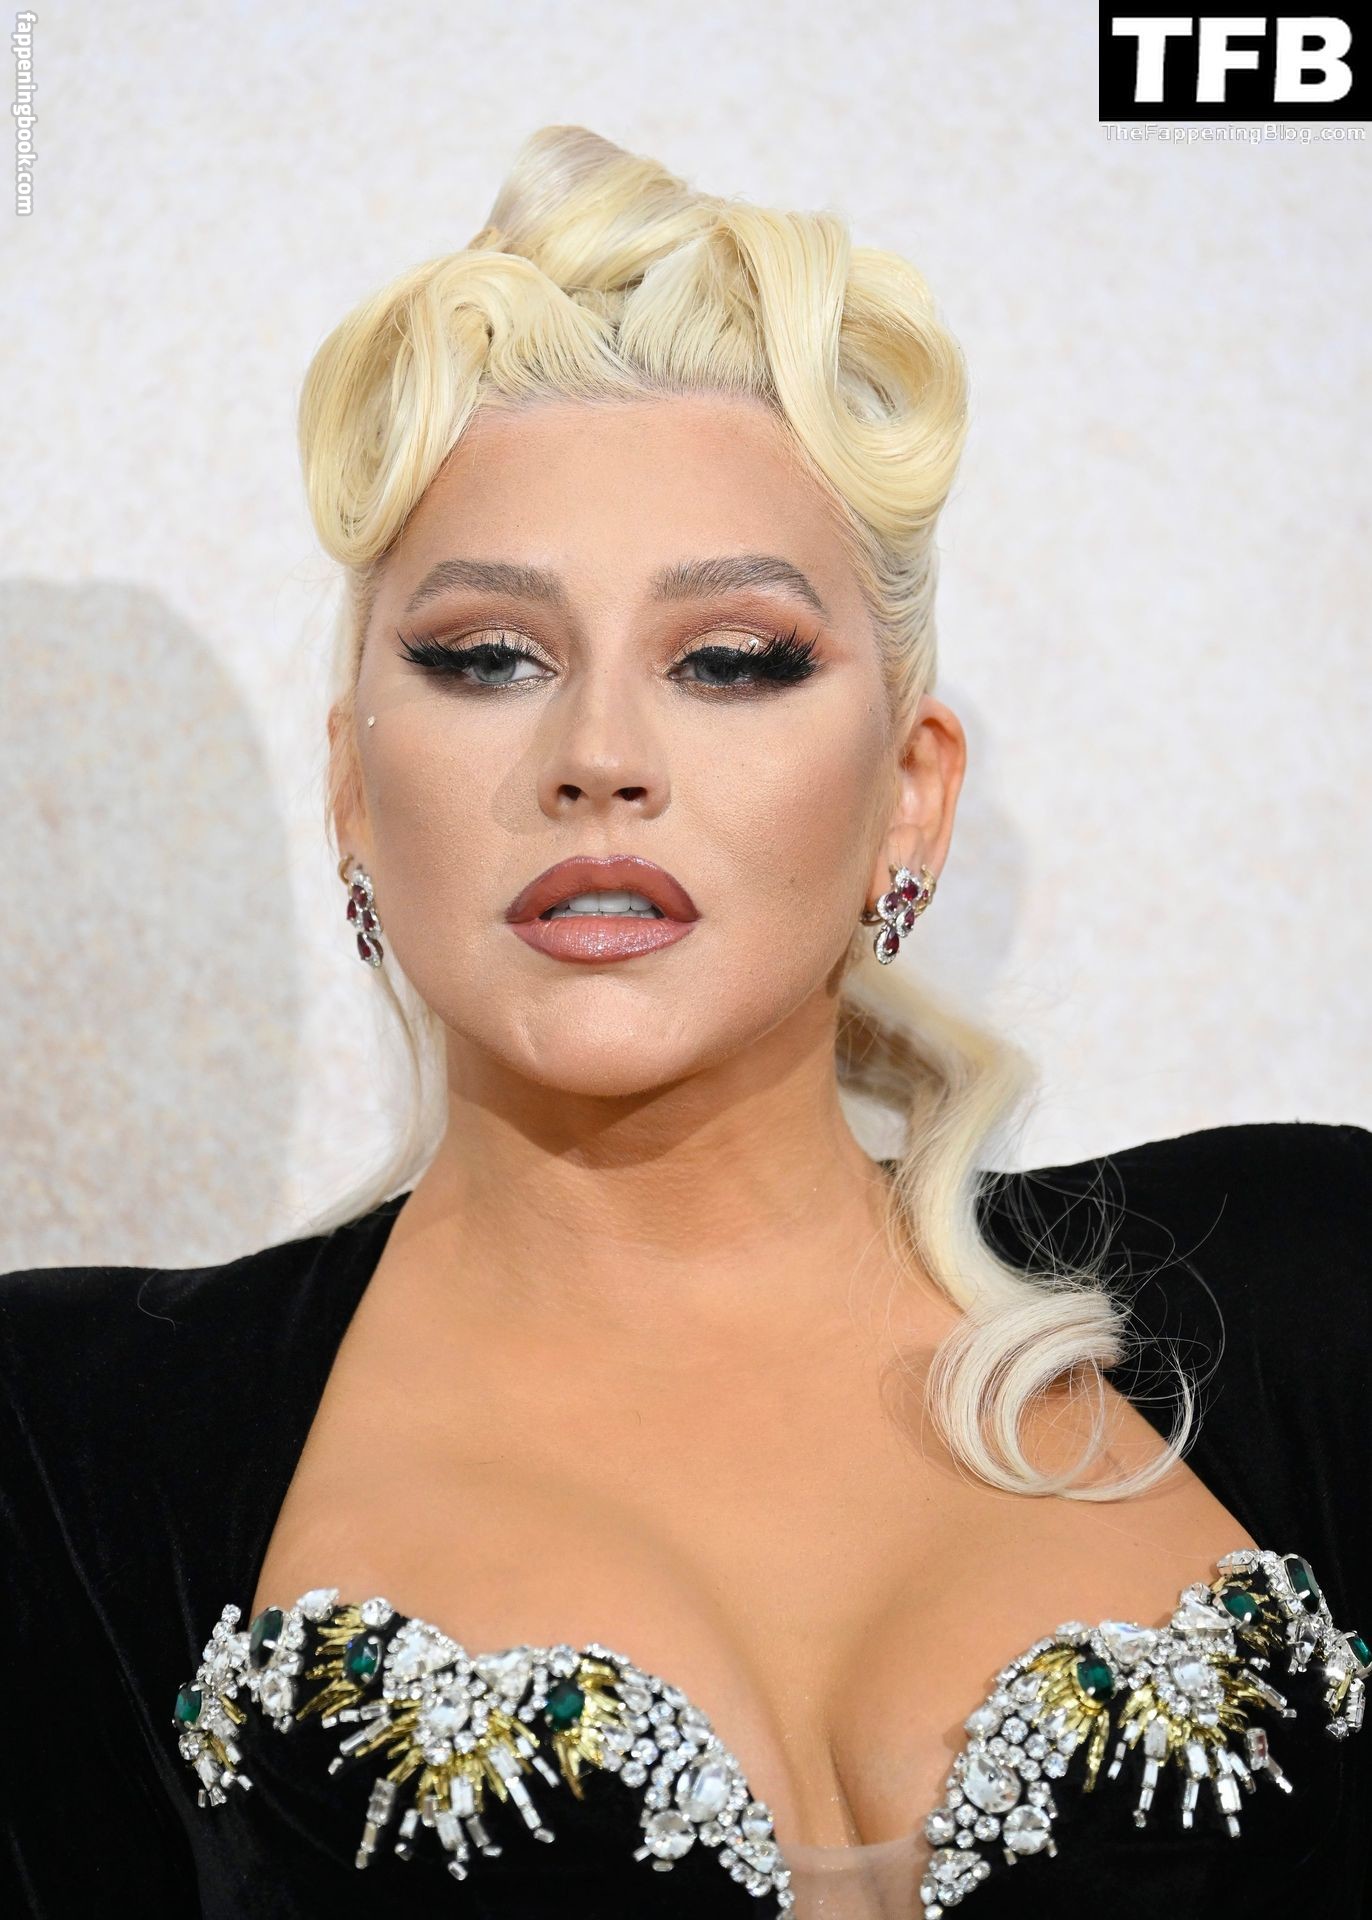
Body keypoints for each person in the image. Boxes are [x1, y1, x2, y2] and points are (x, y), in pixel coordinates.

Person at [2, 124, 1369, 1920]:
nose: (598, 757)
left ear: (909, 797)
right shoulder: (67, 1443)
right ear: (351, 788)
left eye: (731, 660)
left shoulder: (1305, 1295)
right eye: (487, 656)